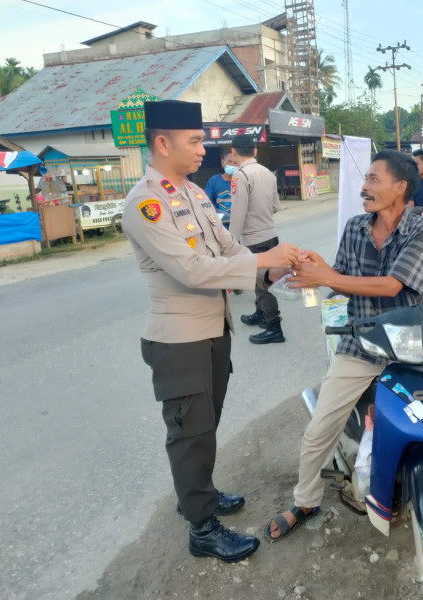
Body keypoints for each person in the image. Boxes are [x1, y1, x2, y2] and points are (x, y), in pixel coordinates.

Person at [123, 99, 299, 563]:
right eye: (196, 140)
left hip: (213, 330)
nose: (205, 149)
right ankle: (201, 527)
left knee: (206, 424)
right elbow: (195, 269)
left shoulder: (195, 194)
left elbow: (228, 248)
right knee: (189, 432)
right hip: (177, 339)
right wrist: (266, 260)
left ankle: (195, 492)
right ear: (163, 142)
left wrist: (271, 272)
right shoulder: (147, 202)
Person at [263, 150, 423, 542]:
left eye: (374, 179)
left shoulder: (422, 231)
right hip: (362, 344)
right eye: (366, 180)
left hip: (410, 348)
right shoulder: (356, 227)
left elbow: (393, 285)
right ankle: (306, 499)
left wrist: (326, 275)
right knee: (319, 429)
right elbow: (342, 280)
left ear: (400, 187)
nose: (364, 187)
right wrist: (318, 270)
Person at [228, 134, 285, 344]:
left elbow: (238, 212)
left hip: (253, 239)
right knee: (258, 280)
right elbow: (276, 206)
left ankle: (274, 327)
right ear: (255, 151)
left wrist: (231, 243)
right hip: (270, 235)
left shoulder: (241, 175)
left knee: (262, 285)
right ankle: (260, 314)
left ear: (233, 152)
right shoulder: (267, 173)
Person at [204, 150, 234, 218]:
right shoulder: (214, 181)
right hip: (221, 224)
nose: (232, 165)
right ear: (223, 163)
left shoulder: (242, 181)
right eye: (229, 162)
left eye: (235, 163)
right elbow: (207, 204)